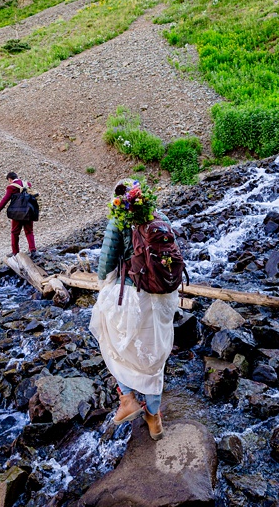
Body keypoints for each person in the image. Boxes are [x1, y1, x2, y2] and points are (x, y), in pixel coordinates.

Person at [89, 179, 179, 441]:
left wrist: (103, 286)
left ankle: (127, 398)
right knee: (152, 358)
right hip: (162, 297)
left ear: (117, 199)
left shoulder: (118, 220)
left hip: (132, 295)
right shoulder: (160, 217)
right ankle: (154, 418)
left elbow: (106, 261)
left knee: (112, 342)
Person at [0, 171, 38, 258]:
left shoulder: (11, 187)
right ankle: (33, 250)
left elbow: (5, 200)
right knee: (29, 231)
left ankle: (15, 252)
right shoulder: (27, 184)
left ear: (9, 179)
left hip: (17, 213)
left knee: (15, 232)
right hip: (28, 212)